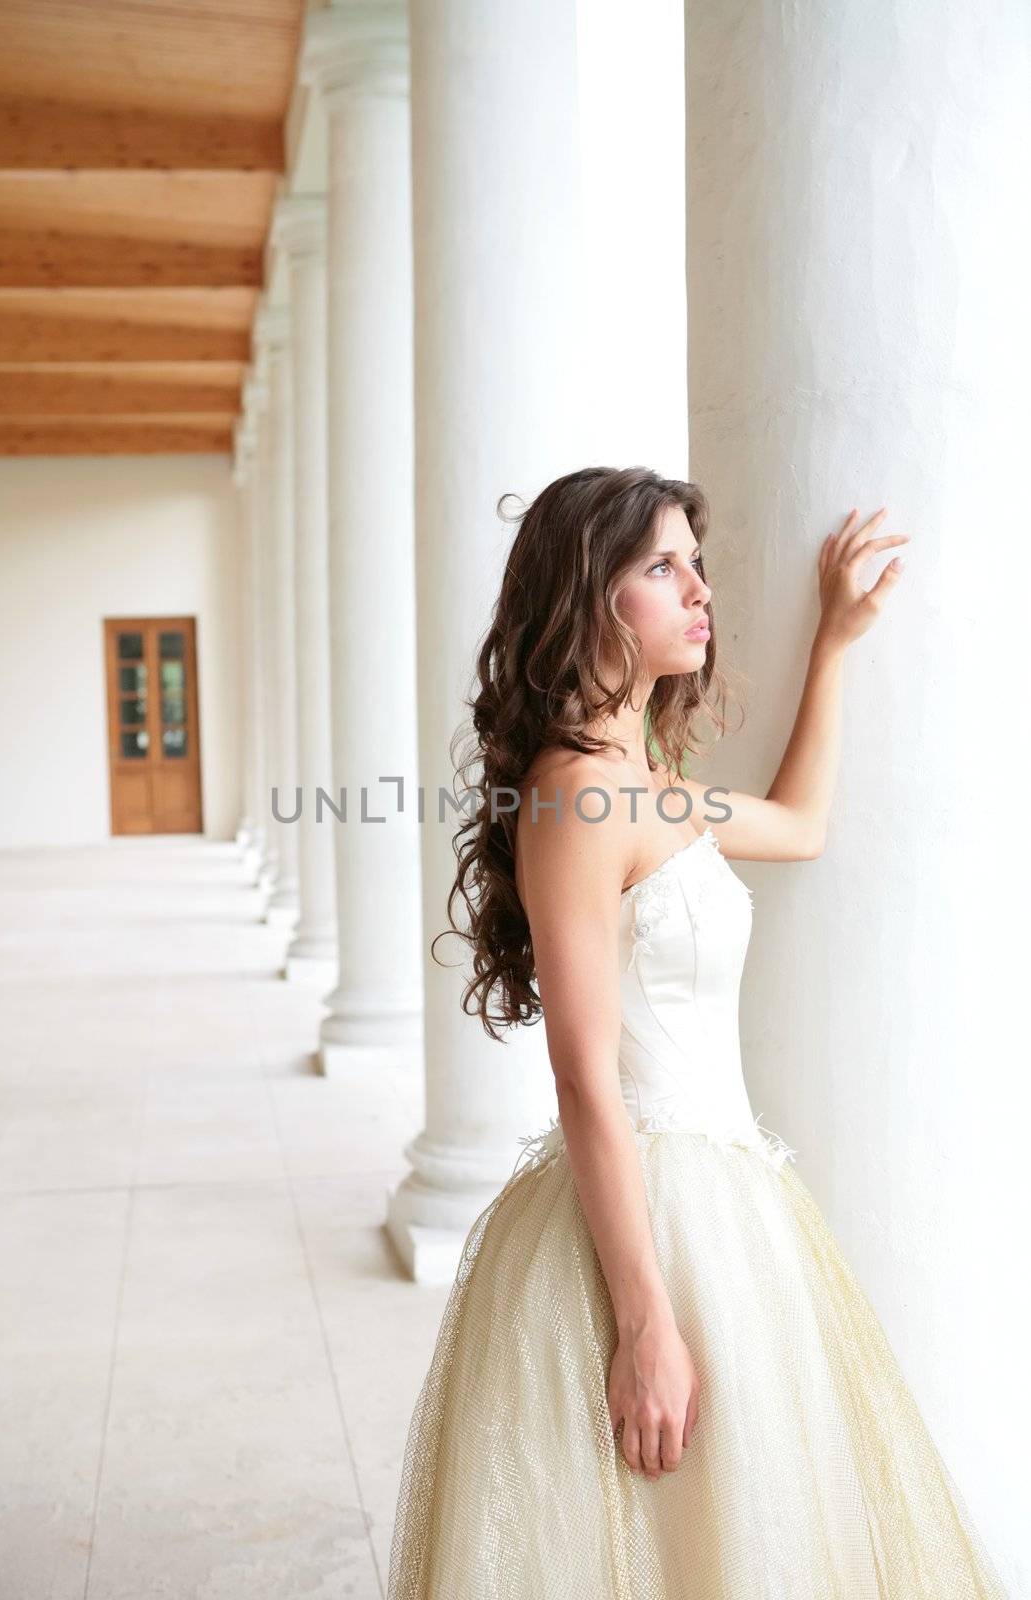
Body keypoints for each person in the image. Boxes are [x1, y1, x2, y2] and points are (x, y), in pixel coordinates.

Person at [387, 466, 1007, 1598]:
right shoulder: (575, 796)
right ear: (586, 598)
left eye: (696, 563)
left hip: (730, 1200)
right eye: (660, 567)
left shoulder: (645, 784)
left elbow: (802, 825)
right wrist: (642, 1325)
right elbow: (583, 1078)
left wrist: (833, 639)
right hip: (650, 1217)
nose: (698, 589)